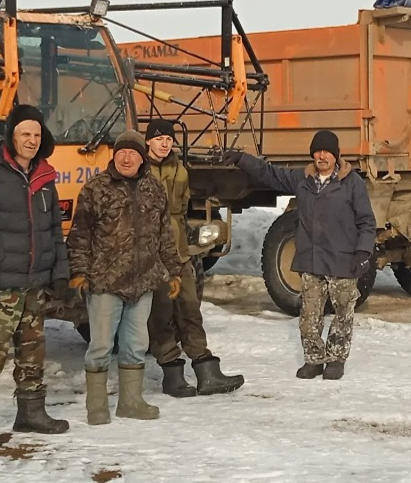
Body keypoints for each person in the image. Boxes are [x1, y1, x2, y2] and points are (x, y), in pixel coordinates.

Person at [0, 104, 70, 449]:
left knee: (33, 352)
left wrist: (60, 275)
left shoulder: (45, 178)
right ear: (12, 136)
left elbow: (54, 232)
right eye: (25, 134)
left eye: (36, 135)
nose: (31, 140)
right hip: (1, 282)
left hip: (34, 282)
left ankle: (31, 412)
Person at [232, 130, 377, 380]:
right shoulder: (303, 178)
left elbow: (366, 222)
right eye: (318, 151)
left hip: (342, 259)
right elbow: (271, 174)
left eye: (327, 152)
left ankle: (336, 359)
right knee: (309, 315)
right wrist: (242, 159)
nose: (322, 156)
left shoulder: (352, 183)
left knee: (343, 313)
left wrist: (363, 252)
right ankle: (314, 359)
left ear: (336, 155)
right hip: (311, 260)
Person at [67, 130, 180, 425]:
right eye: (122, 152)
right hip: (105, 281)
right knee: (101, 345)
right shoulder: (95, 189)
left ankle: (131, 402)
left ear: (142, 157)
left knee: (136, 344)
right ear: (114, 155)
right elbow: (79, 235)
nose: (127, 157)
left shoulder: (154, 189)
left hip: (143, 282)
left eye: (133, 153)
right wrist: (79, 272)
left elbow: (165, 235)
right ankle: (97, 407)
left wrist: (174, 270)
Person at [143, 119, 245, 398]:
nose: (165, 144)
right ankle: (171, 373)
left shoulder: (180, 170)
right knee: (161, 314)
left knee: (190, 309)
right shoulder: (139, 171)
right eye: (159, 138)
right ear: (148, 141)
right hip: (153, 255)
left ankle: (206, 370)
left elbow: (181, 212)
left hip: (180, 251)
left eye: (169, 139)